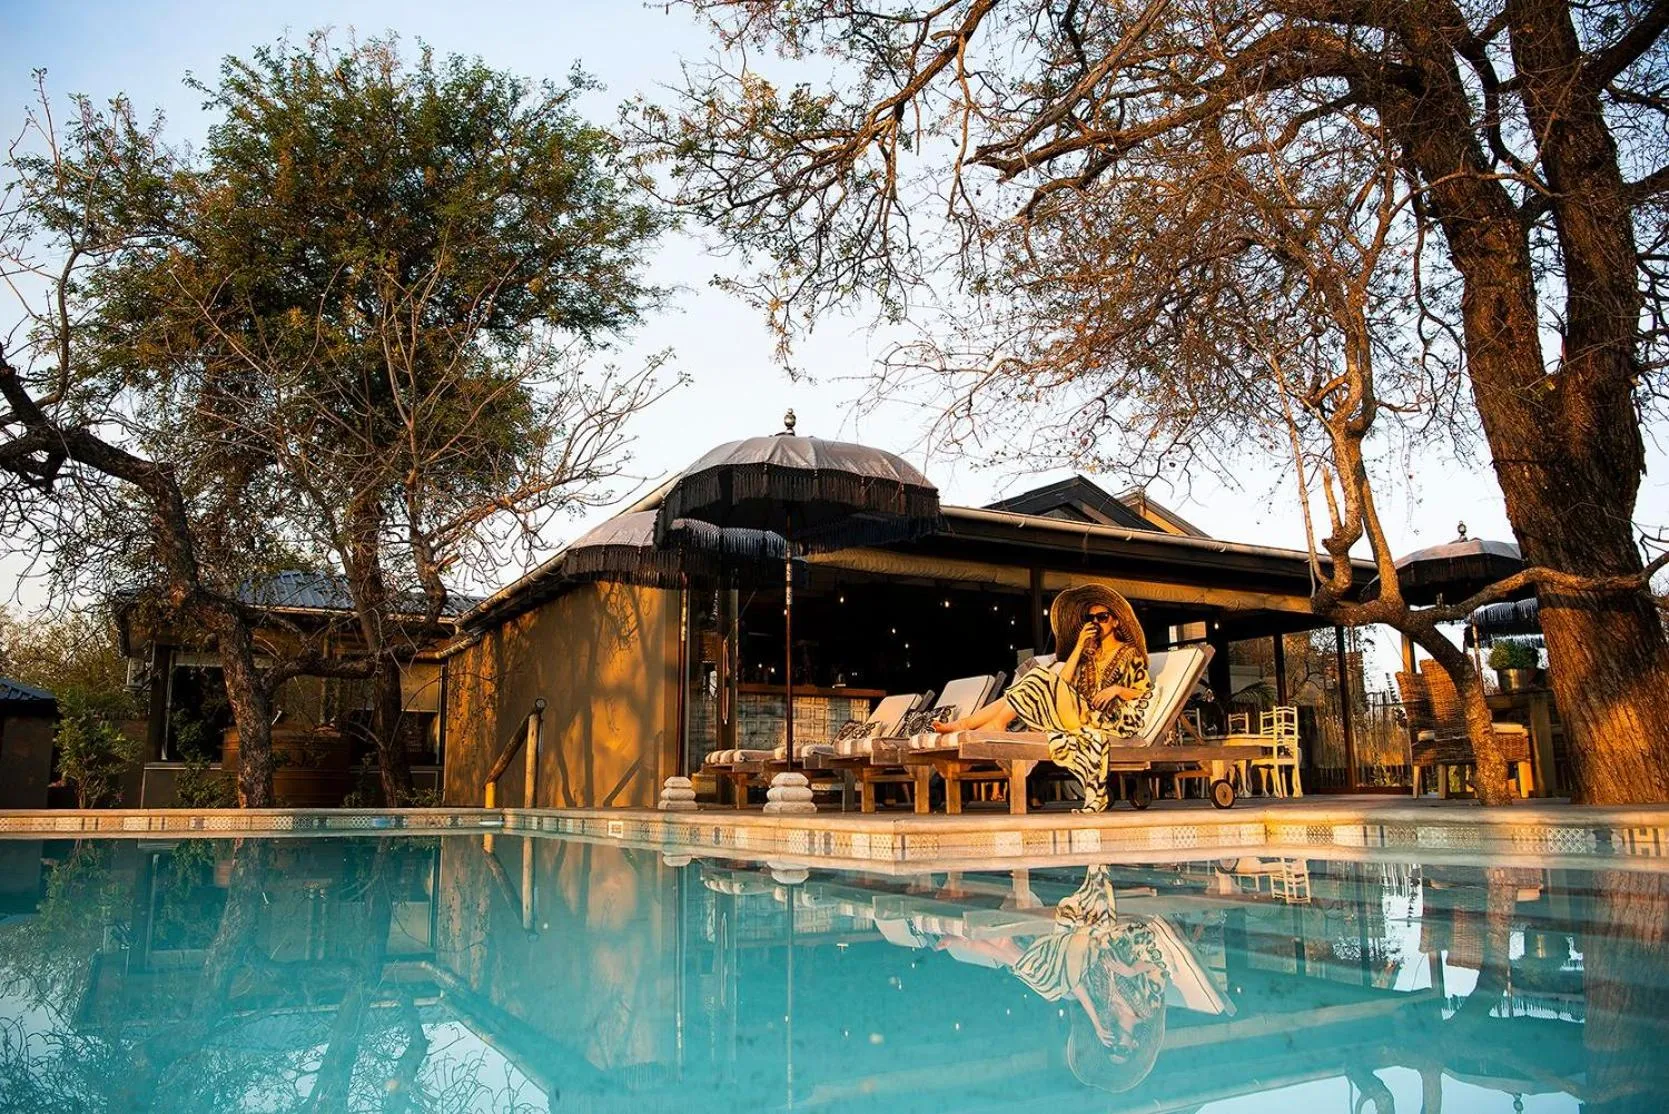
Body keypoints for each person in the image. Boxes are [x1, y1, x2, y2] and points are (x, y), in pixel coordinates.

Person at [933, 865, 1169, 1093]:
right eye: (1123, 1050)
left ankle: (980, 943)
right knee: (1052, 982)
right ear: (1135, 1045)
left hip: (1082, 946)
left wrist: (1096, 1023)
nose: (1116, 1044)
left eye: (1111, 1050)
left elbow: (1076, 984)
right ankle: (984, 943)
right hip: (1117, 936)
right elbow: (1158, 966)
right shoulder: (1147, 1008)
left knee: (1054, 987)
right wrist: (1130, 971)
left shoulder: (1104, 1011)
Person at [933, 584, 1152, 811]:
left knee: (1038, 675)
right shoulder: (1088, 654)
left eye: (1102, 617)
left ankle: (978, 723)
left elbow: (1143, 691)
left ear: (1116, 621)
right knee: (1040, 677)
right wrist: (1078, 647)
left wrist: (1115, 689)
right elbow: (1062, 683)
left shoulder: (1129, 653)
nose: (1096, 622)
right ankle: (978, 724)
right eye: (1091, 618)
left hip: (1110, 719)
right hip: (1079, 712)